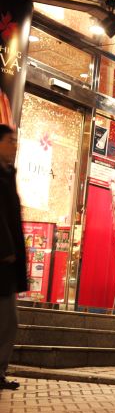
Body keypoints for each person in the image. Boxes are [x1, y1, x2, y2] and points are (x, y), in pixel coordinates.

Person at [0, 125, 25, 391]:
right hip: (3, 258)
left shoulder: (8, 174)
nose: (14, 146)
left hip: (7, 260)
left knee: (9, 319)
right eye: (10, 141)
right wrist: (6, 248)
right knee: (8, 318)